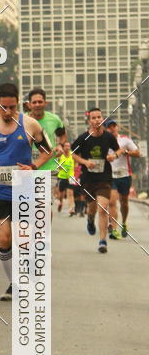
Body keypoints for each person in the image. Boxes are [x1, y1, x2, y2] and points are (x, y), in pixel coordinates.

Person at [0, 82, 53, 301]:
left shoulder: (30, 125)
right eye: (3, 107)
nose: (8, 112)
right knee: (4, 238)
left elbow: (47, 152)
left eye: (12, 107)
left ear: (18, 104)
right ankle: (14, 283)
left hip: (24, 191)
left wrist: (33, 166)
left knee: (23, 240)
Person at [71, 108, 124, 253]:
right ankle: (90, 219)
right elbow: (72, 153)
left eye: (99, 117)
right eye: (93, 118)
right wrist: (85, 162)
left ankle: (102, 241)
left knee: (103, 208)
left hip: (104, 177)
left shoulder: (108, 137)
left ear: (103, 118)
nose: (97, 120)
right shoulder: (83, 138)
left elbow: (119, 150)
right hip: (88, 179)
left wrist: (114, 156)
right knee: (92, 208)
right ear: (89, 121)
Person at [27, 88, 66, 197]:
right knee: (28, 205)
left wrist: (60, 145)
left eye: (40, 102)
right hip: (27, 169)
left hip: (49, 168)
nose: (37, 105)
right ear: (29, 104)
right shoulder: (23, 120)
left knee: (42, 203)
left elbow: (62, 136)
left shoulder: (55, 119)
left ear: (45, 103)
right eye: (34, 102)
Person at [105, 118, 140, 239]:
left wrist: (126, 152)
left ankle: (124, 223)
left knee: (124, 202)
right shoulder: (103, 141)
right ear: (106, 129)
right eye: (109, 127)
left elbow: (137, 153)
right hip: (111, 177)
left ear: (117, 127)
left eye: (114, 126)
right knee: (112, 202)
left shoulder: (125, 140)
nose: (112, 128)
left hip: (125, 175)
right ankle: (114, 229)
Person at [56, 142, 76, 215]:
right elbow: (57, 166)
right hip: (62, 176)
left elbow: (76, 163)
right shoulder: (60, 156)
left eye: (68, 146)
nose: (67, 147)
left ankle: (71, 209)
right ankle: (60, 203)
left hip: (71, 176)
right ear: (63, 147)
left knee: (70, 193)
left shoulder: (73, 155)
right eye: (65, 146)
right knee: (61, 194)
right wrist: (59, 166)